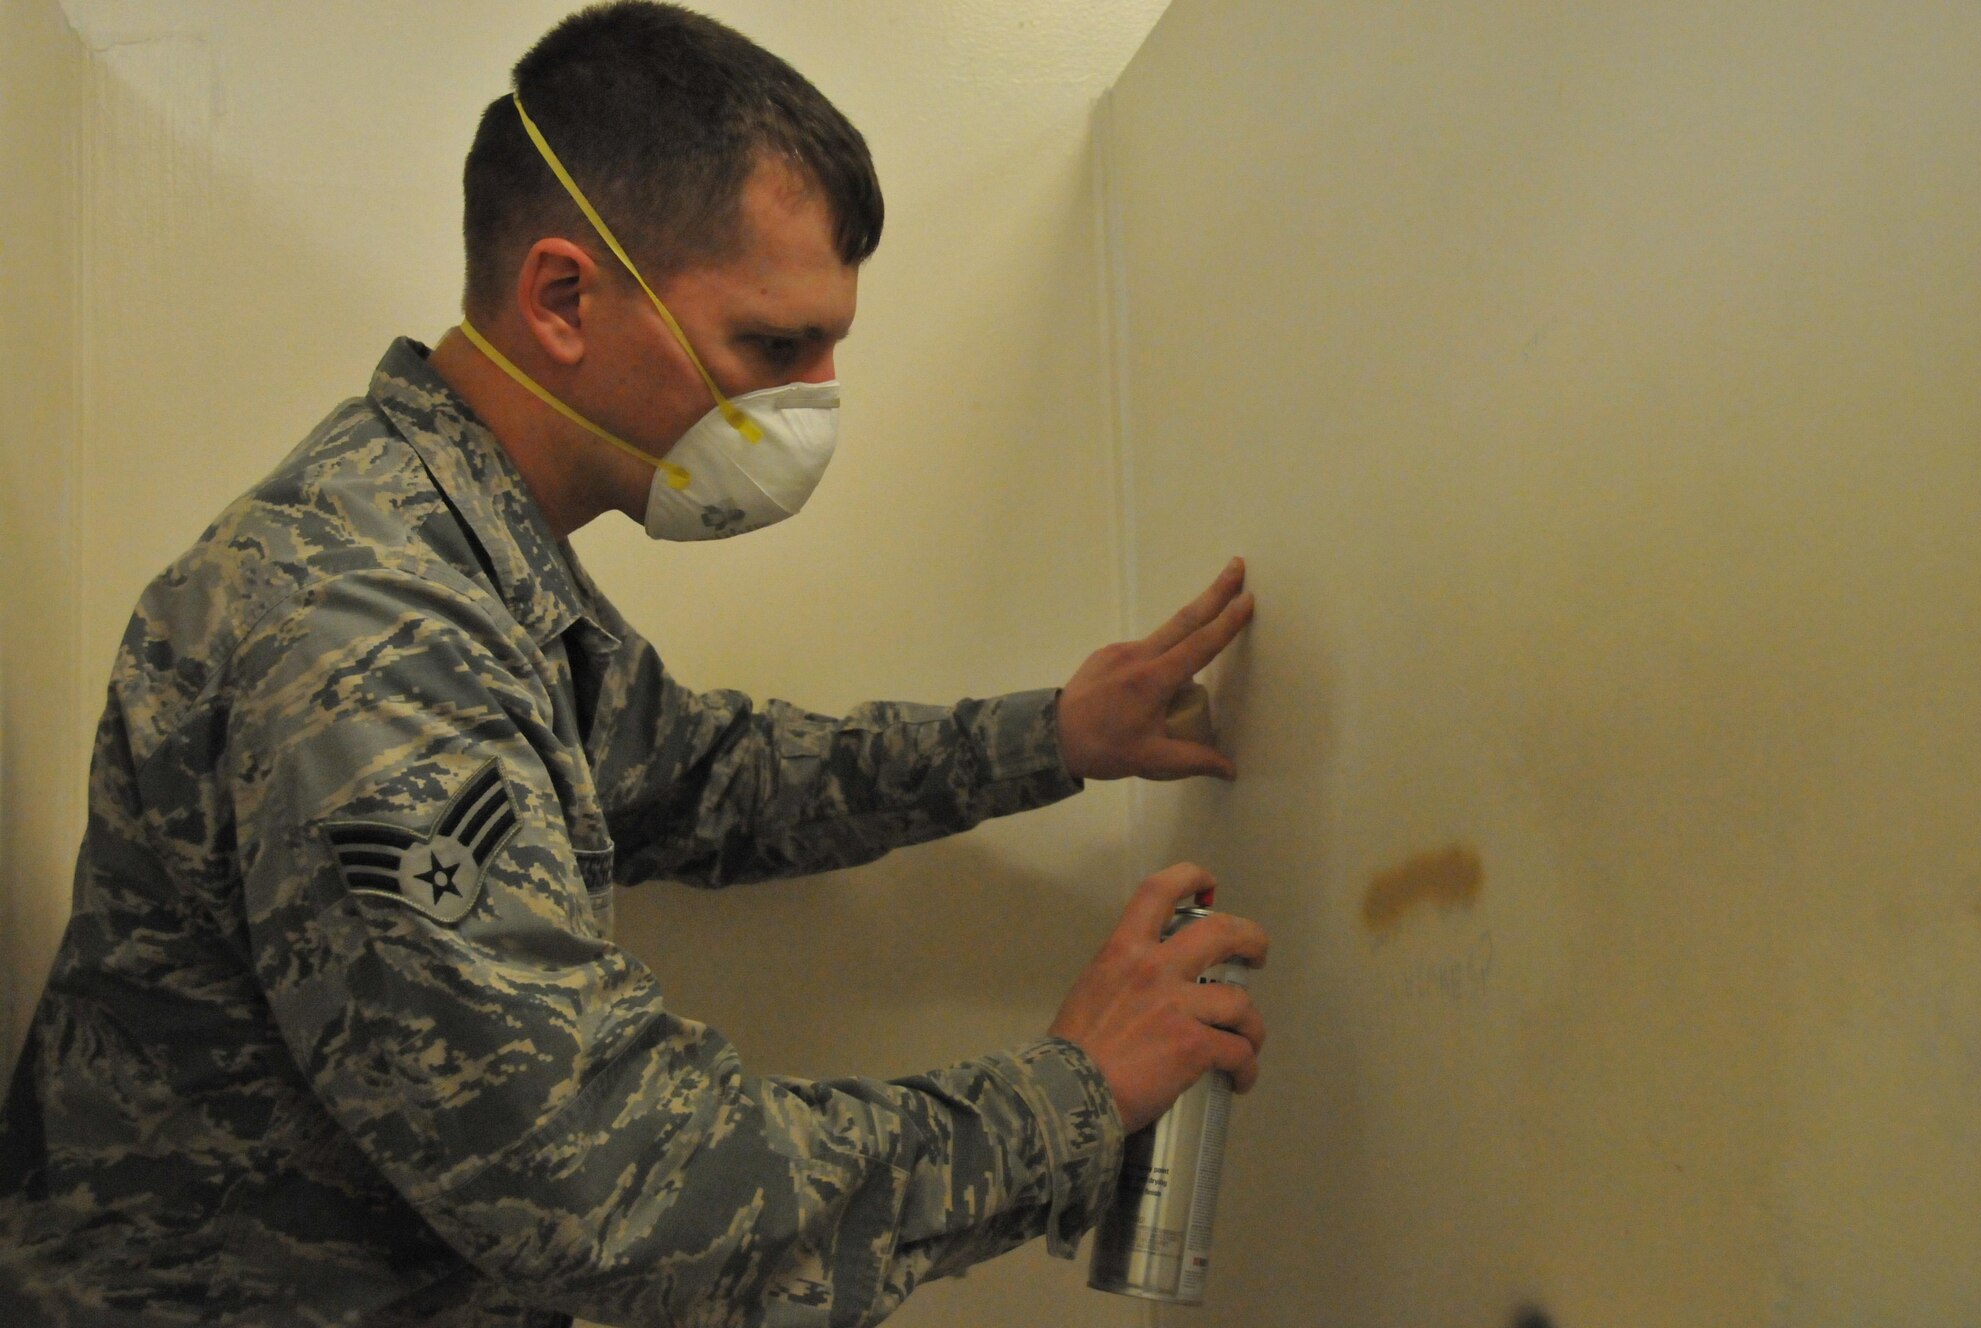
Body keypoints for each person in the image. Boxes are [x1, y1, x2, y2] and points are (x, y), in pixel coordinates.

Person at [0, 4, 1267, 1325]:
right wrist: (1074, 1097)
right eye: (774, 350)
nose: (815, 405)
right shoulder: (365, 628)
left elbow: (708, 778)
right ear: (564, 299)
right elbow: (608, 1189)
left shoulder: (461, 554)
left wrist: (1052, 734)